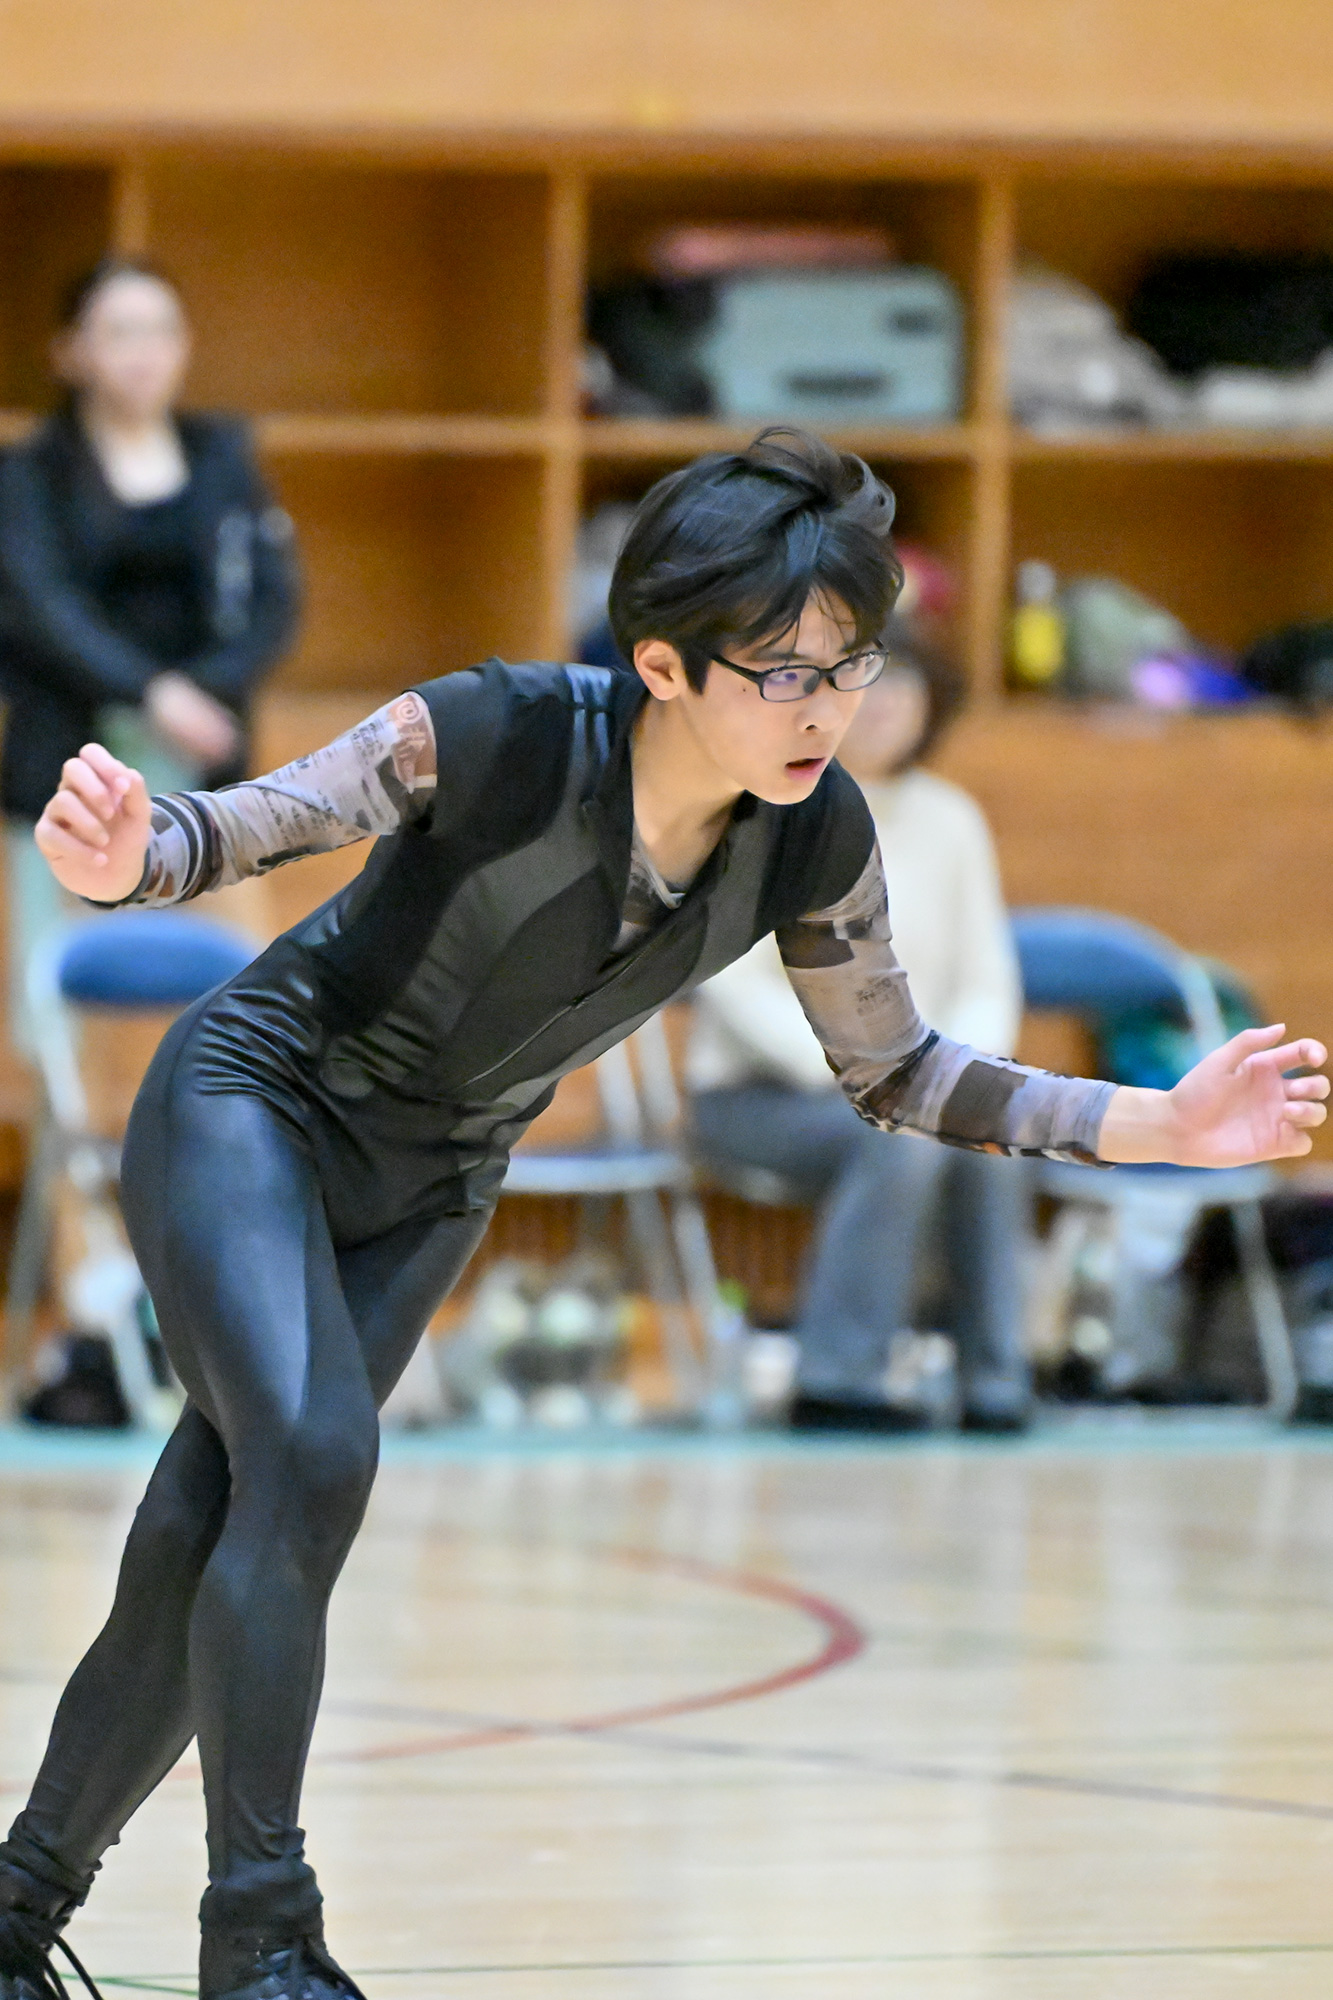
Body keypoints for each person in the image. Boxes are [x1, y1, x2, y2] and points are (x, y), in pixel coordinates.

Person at [0, 429, 1324, 2000]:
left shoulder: (814, 834)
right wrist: (130, 853)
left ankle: (17, 1913)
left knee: (210, 1526)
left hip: (437, 1178)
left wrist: (1159, 1125)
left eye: (850, 664)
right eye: (785, 673)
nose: (827, 709)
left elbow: (899, 1071)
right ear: (663, 665)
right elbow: (246, 825)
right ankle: (264, 1941)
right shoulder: (491, 730)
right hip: (255, 1109)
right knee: (309, 1457)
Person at [689, 633, 1033, 1430]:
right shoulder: (759, 810)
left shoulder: (951, 818)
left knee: (994, 1133)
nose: (882, 707)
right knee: (901, 1139)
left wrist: (953, 1072)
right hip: (762, 1097)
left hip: (915, 1082)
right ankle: (837, 1380)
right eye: (863, 687)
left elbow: (987, 979)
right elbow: (726, 979)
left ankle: (995, 1383)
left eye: (901, 690)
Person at [0, 255, 298, 1040]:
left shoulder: (223, 454)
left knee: (244, 1002)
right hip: (67, 753)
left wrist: (203, 694)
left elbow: (273, 598)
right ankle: (64, 1119)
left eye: (162, 331)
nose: (144, 351)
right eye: (120, 332)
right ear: (70, 352)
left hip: (207, 755)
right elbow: (40, 608)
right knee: (57, 1006)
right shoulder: (29, 473)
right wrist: (152, 694)